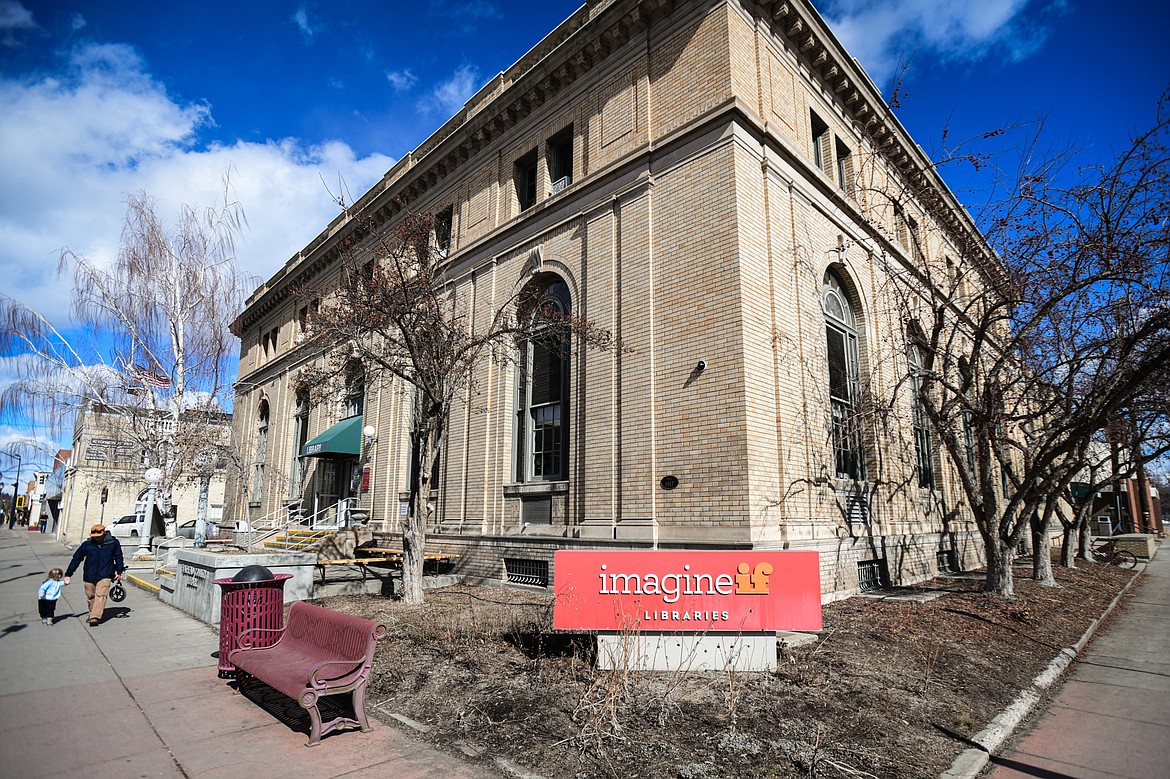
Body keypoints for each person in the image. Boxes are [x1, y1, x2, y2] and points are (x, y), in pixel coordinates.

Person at [64, 523, 125, 626]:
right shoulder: (87, 544)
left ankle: (95, 617)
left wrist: (119, 571)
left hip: (105, 574)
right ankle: (92, 612)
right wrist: (68, 574)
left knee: (101, 595)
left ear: (103, 533)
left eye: (99, 536)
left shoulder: (113, 543)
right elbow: (76, 559)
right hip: (89, 574)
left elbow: (118, 557)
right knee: (91, 595)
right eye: (94, 537)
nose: (96, 538)